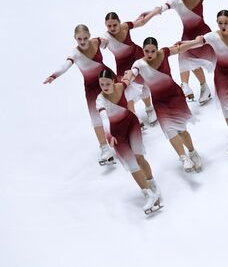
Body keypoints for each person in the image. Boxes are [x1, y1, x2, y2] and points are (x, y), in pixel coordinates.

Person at [177, 10, 228, 156]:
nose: (223, 25)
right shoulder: (212, 36)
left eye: (226, 22)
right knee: (226, 106)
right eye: (220, 23)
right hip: (222, 75)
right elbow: (196, 42)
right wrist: (182, 45)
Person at [136, 0, 226, 104]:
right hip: (188, 36)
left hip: (203, 34)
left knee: (213, 61)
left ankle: (218, 84)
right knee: (186, 60)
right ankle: (190, 85)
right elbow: (160, 9)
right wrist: (149, 14)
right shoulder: (176, 1)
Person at [127, 37, 203, 173]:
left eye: (152, 51)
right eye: (146, 51)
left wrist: (196, 42)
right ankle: (183, 157)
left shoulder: (164, 53)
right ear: (143, 51)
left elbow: (180, 48)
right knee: (169, 130)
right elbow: (133, 73)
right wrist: (128, 77)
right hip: (159, 102)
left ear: (157, 50)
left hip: (175, 97)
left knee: (181, 130)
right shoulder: (139, 64)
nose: (149, 54)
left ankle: (192, 152)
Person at [43, 24, 115, 165]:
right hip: (91, 88)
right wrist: (54, 76)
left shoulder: (95, 42)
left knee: (119, 102)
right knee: (96, 118)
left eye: (85, 38)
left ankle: (129, 128)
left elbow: (104, 41)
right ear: (75, 38)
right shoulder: (75, 54)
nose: (82, 41)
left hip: (107, 78)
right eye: (79, 39)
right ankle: (105, 148)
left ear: (89, 36)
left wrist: (105, 42)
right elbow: (65, 65)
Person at [96, 69, 162, 214]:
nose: (105, 87)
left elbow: (129, 78)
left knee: (139, 157)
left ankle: (152, 184)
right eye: (102, 84)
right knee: (132, 165)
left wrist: (133, 71)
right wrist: (108, 135)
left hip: (131, 125)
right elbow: (104, 119)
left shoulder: (120, 86)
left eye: (107, 83)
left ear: (113, 81)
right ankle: (148, 195)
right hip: (117, 135)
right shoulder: (100, 100)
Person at [102, 12, 157, 125]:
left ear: (119, 22)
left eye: (115, 25)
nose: (112, 28)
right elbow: (99, 43)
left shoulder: (125, 26)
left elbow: (141, 22)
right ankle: (134, 116)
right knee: (126, 91)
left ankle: (149, 109)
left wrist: (155, 11)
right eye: (109, 26)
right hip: (123, 66)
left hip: (138, 57)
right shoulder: (106, 37)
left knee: (144, 85)